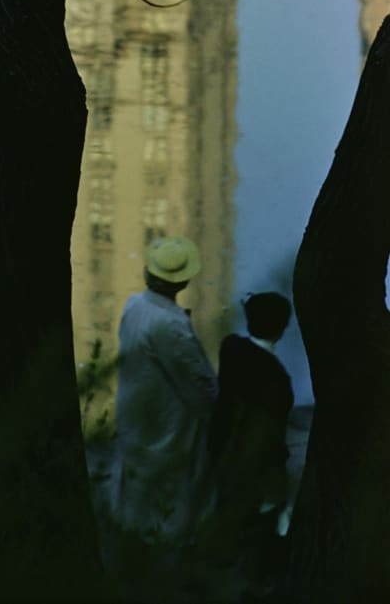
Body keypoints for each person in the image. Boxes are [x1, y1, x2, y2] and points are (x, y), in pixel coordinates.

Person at [111, 235, 217, 574]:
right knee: (174, 493)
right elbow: (200, 385)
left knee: (137, 487)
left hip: (135, 412)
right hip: (166, 422)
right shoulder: (171, 325)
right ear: (183, 280)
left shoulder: (134, 306)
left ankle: (135, 551)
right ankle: (169, 565)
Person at [207, 291, 294, 593]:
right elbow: (265, 435)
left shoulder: (231, 348)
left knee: (226, 534)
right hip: (254, 471)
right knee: (256, 544)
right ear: (283, 328)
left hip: (225, 458)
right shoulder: (276, 378)